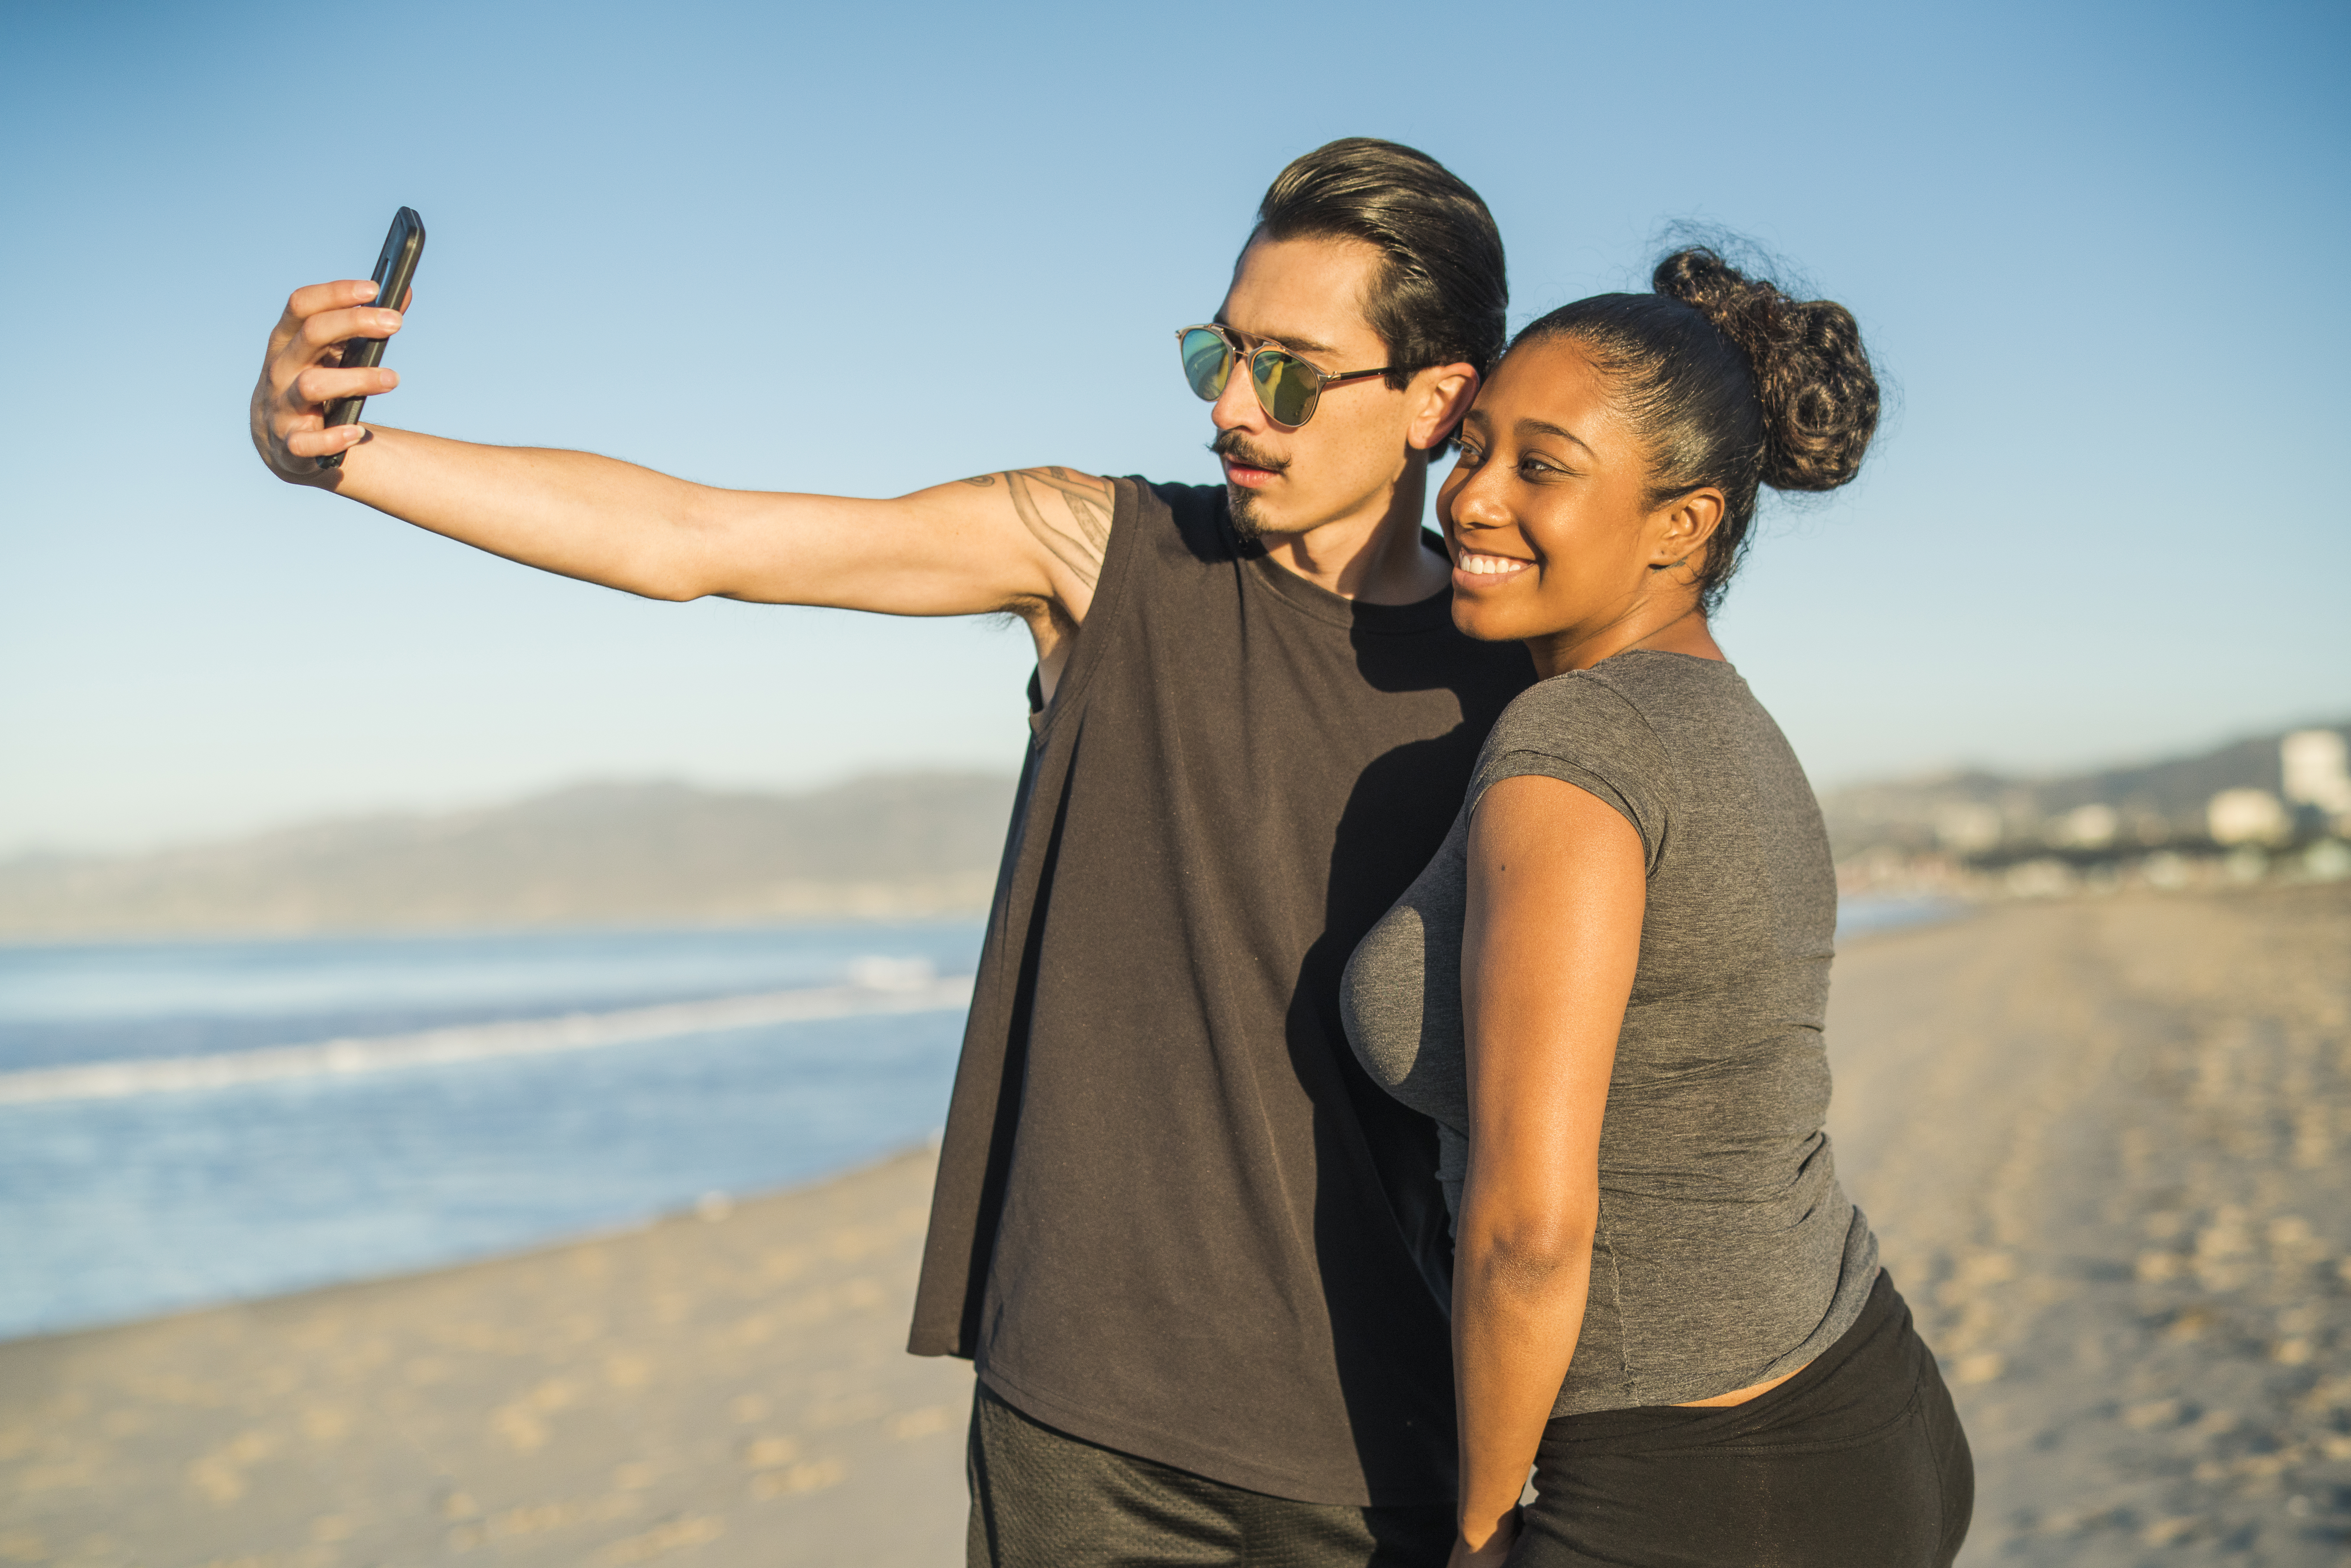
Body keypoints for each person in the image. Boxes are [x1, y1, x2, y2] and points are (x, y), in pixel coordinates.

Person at [250, 139, 1534, 1565]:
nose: (1231, 406)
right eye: (1215, 355)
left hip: (1382, 1444)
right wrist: (345, 457)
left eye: (1287, 369)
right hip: (1084, 1430)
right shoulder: (1103, 556)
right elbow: (698, 537)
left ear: (1435, 400)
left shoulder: (1521, 694)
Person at [1342, 247, 1974, 1567]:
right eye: (1474, 450)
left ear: (1681, 525)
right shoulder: (1727, 722)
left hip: (1693, 1477)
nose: (1469, 499)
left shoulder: (1573, 750)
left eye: (1541, 467)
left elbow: (1528, 1227)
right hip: (1854, 1382)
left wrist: (1473, 1525)